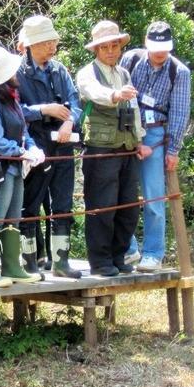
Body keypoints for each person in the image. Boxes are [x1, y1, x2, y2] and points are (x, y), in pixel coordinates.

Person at [76, 20, 152, 277]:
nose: (110, 51)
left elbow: (135, 109)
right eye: (105, 47)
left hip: (127, 148)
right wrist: (115, 95)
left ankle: (118, 256)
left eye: (114, 46)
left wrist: (140, 140)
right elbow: (93, 92)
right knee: (102, 207)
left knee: (128, 207)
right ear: (96, 50)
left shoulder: (124, 74)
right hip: (100, 149)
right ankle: (100, 261)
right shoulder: (87, 72)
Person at [14, 15, 83, 279]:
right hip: (34, 144)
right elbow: (13, 109)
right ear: (31, 45)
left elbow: (75, 102)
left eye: (53, 41)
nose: (52, 46)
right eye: (45, 42)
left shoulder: (59, 70)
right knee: (30, 204)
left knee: (63, 202)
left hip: (63, 143)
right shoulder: (17, 73)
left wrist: (71, 122)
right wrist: (43, 109)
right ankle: (29, 261)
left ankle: (61, 262)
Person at [120, 21, 192, 272]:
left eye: (165, 48)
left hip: (156, 135)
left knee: (153, 197)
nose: (160, 52)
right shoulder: (130, 60)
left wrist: (173, 150)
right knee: (122, 194)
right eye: (155, 47)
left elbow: (180, 112)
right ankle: (127, 249)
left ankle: (153, 253)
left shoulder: (179, 71)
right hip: (127, 131)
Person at [0, 46, 45, 288]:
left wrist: (33, 148)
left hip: (16, 167)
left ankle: (12, 267)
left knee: (14, 218)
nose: (18, 75)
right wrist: (20, 151)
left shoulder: (12, 102)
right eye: (13, 72)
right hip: (1, 169)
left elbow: (24, 131)